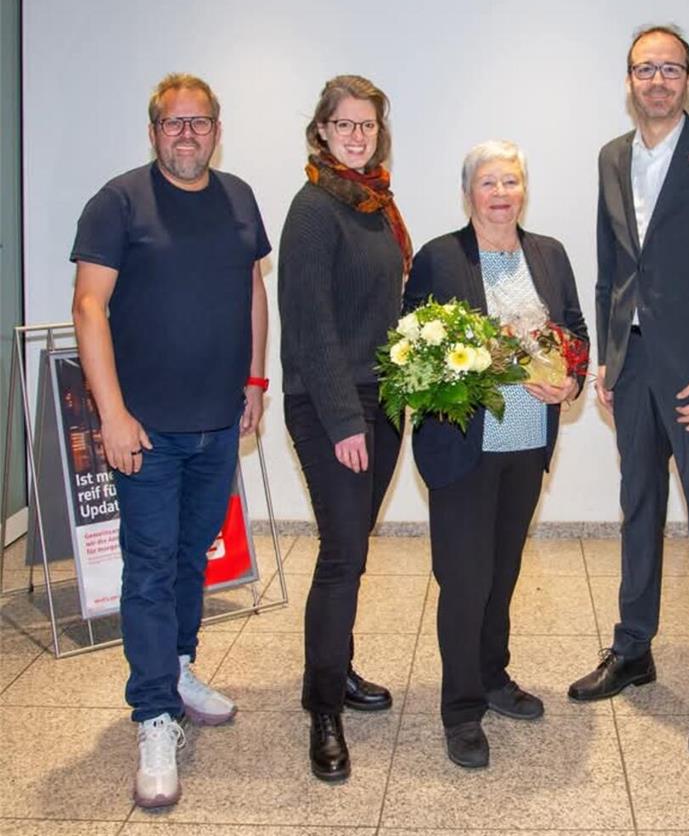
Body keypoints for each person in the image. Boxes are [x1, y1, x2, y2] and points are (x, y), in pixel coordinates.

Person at [70, 73, 270, 808]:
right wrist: (113, 414)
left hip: (218, 422)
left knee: (191, 557)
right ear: (154, 132)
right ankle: (154, 714)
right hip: (145, 430)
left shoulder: (241, 197)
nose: (187, 134)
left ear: (218, 129)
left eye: (200, 122)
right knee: (150, 567)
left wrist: (254, 383)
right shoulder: (118, 202)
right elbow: (89, 307)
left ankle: (179, 666)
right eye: (172, 123)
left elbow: (253, 287)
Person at [568, 25, 689, 755]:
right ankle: (634, 648)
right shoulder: (612, 158)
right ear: (629, 80)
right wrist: (608, 363)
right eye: (644, 69)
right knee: (637, 511)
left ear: (687, 79)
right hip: (635, 366)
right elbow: (609, 266)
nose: (657, 81)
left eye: (670, 69)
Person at [405, 140, 588, 768]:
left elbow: (577, 335)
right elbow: (413, 354)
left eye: (511, 180)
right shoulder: (439, 258)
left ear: (523, 190)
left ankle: (492, 677)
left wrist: (571, 381)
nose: (501, 193)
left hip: (527, 445)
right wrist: (488, 365)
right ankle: (460, 709)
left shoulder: (550, 254)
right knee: (465, 579)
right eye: (489, 182)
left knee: (504, 572)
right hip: (463, 450)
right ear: (468, 193)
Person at [278, 75, 413, 782]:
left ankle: (332, 670)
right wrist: (341, 421)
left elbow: (386, 307)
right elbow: (310, 326)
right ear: (322, 131)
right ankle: (324, 710)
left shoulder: (377, 206)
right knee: (341, 556)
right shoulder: (313, 209)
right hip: (330, 401)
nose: (357, 135)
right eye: (345, 124)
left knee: (354, 546)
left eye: (367, 125)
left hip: (382, 399)